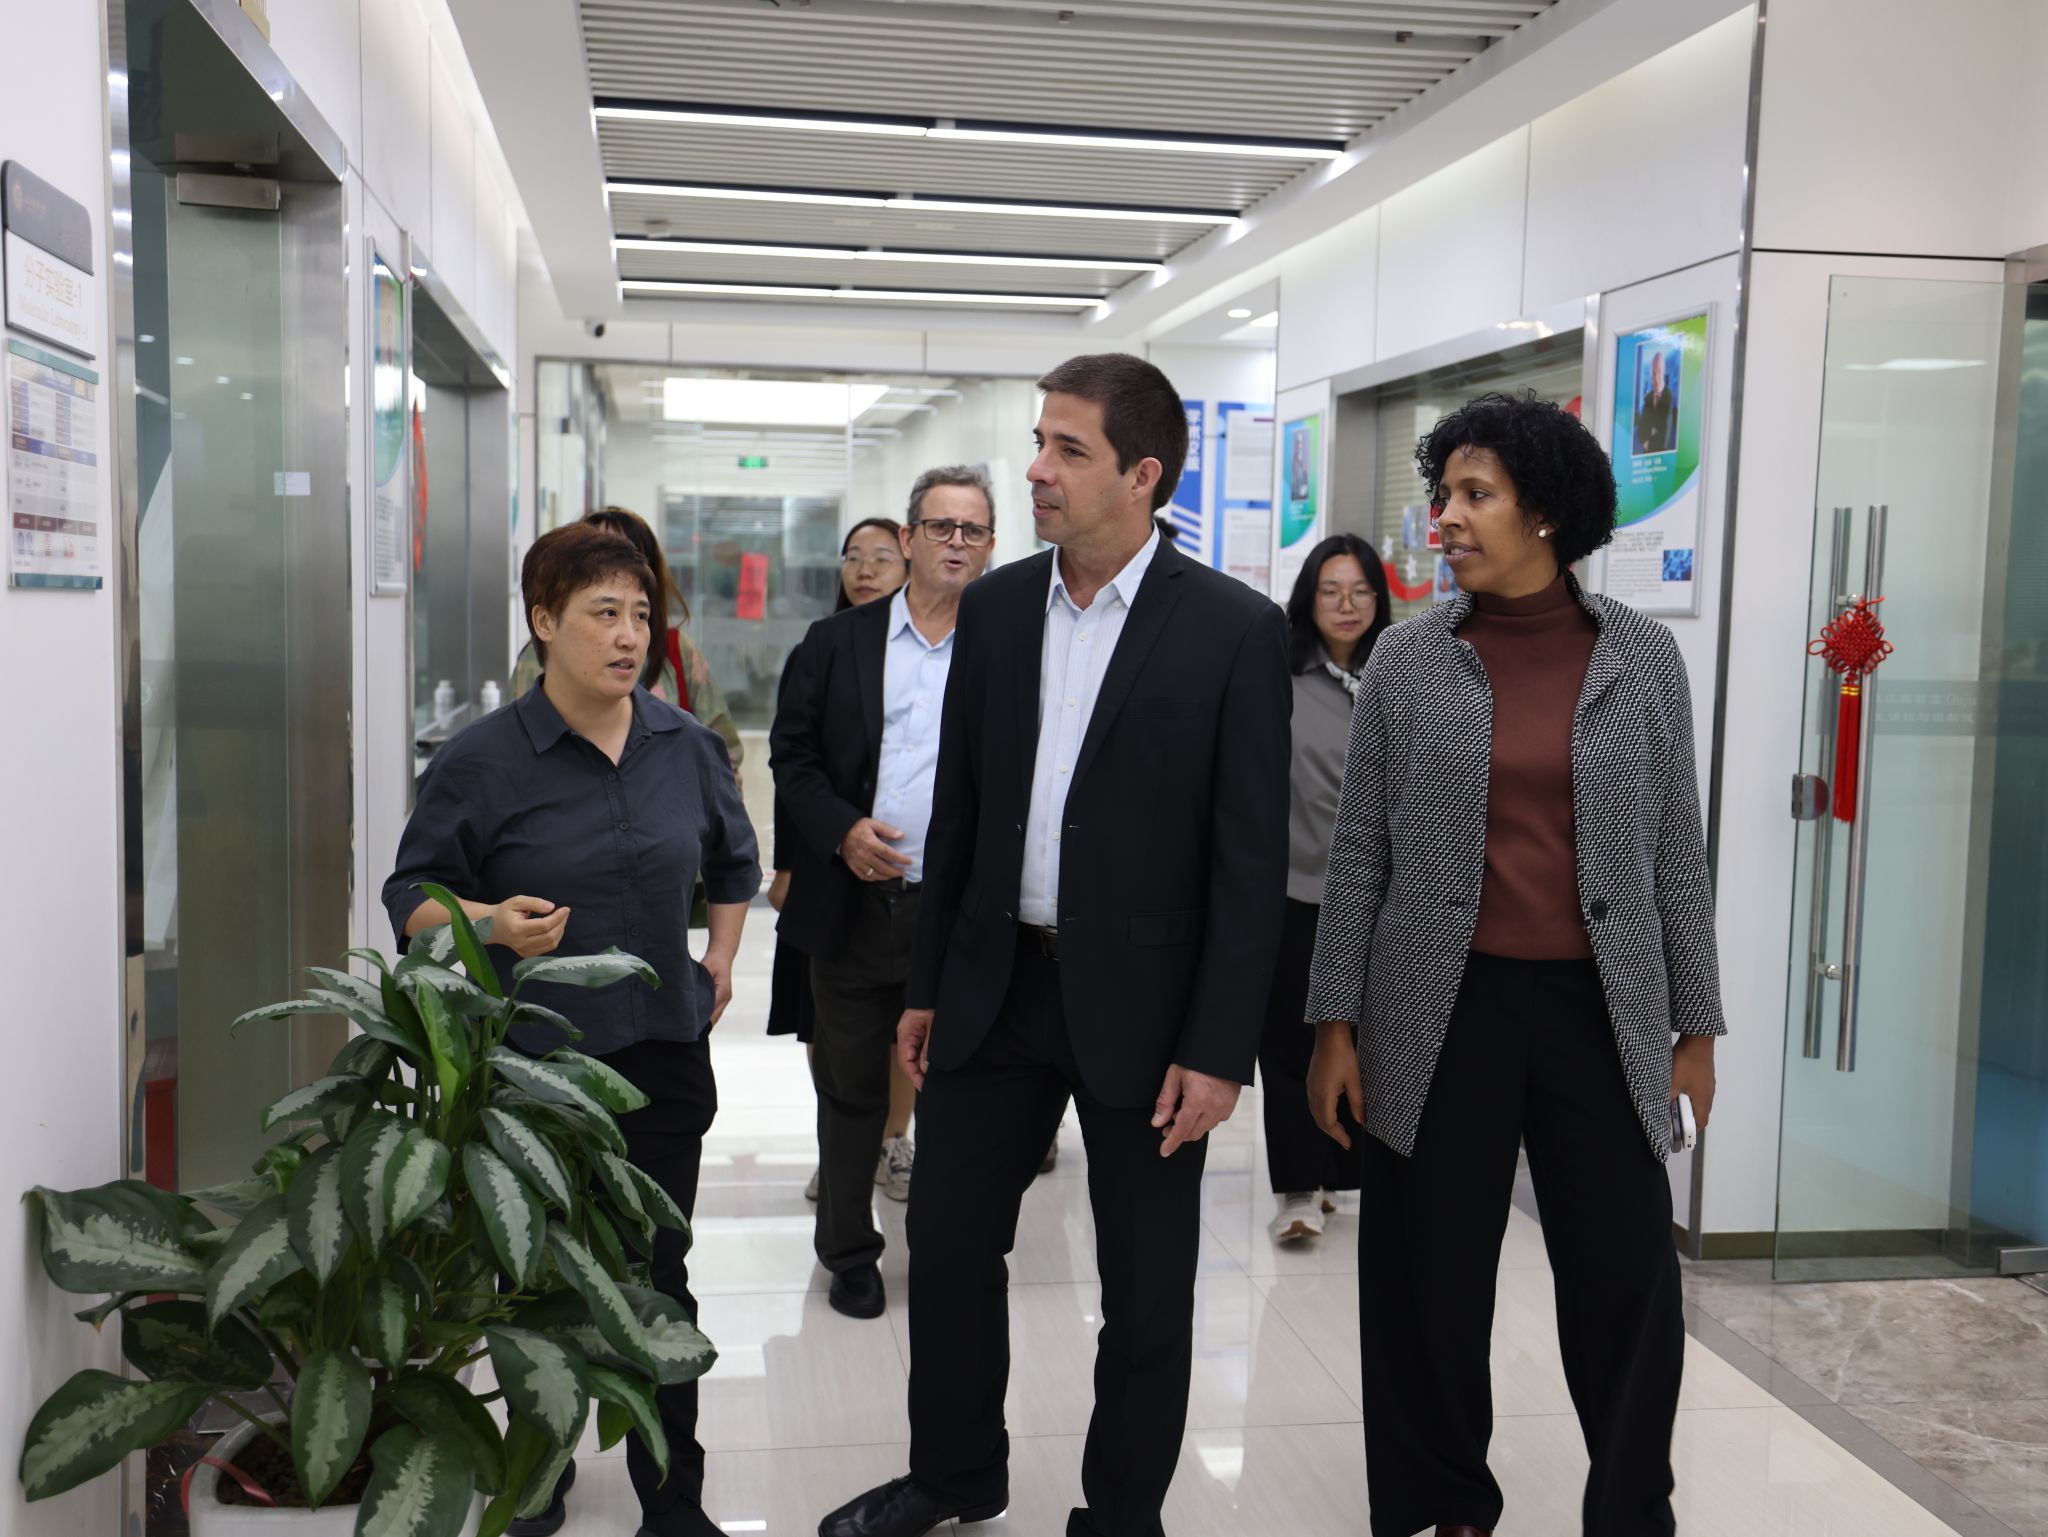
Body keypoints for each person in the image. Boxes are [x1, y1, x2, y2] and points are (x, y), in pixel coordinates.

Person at [819, 353, 1292, 1537]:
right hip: (995, 989)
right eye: (1038, 441)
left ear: (1141, 475)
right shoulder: (995, 608)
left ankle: (1121, 1513)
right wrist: (929, 984)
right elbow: (965, 813)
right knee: (947, 1241)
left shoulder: (1231, 630)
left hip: (1150, 1011)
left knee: (1143, 1288)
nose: (1036, 468)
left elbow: (1247, 865)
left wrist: (1218, 1049)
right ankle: (955, 1473)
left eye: (1067, 449)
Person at [1304, 391, 1724, 1537]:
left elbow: (1673, 853)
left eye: (1472, 495)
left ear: (1542, 512)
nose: (1443, 517)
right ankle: (1445, 1504)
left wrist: (1694, 1027)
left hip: (1601, 1010)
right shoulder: (1406, 657)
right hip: (1437, 1009)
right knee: (1427, 1276)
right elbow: (1359, 851)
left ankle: (1630, 1510)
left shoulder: (1640, 657)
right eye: (1441, 493)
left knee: (1626, 1276)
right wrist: (1333, 1024)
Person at [384, 521, 760, 1537]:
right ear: (544, 621)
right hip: (532, 1070)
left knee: (657, 1279)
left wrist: (722, 957)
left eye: (640, 614)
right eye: (604, 613)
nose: (629, 635)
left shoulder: (685, 746)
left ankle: (672, 1501)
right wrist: (489, 923)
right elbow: (409, 895)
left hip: (660, 1054)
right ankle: (536, 1480)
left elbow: (734, 862)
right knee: (535, 1280)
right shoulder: (481, 760)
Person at [771, 470, 996, 1319]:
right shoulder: (837, 642)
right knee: (852, 1089)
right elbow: (791, 755)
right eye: (941, 527)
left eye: (974, 531)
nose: (956, 544)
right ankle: (848, 1252)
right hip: (857, 903)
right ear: (909, 539)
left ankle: (944, 1249)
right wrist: (841, 831)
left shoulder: (1008, 645)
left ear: (991, 546)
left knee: (960, 1093)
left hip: (961, 911)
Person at [770, 517, 912, 1202]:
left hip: (904, 871)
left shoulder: (937, 648)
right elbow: (792, 762)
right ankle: (843, 1149)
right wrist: (787, 865)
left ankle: (893, 1140)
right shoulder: (820, 645)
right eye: (854, 556)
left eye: (881, 556)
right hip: (825, 867)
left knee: (904, 1022)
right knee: (826, 1026)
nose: (865, 569)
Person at [1262, 532, 1390, 1245]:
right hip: (1294, 889)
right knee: (1291, 1039)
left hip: (1378, 896)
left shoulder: (1399, 674)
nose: (1347, 605)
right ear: (1308, 599)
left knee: (1366, 1038)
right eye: (1332, 590)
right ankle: (1297, 1187)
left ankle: (1344, 1172)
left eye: (1361, 591)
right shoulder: (1278, 675)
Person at [508, 506, 743, 771]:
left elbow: (723, 754)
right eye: (594, 553)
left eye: (624, 556)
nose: (628, 640)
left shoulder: (678, 651)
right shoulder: (536, 658)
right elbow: (513, 743)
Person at [1633, 348, 1677, 456]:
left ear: (1664, 371)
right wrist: (1646, 437)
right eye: (1654, 373)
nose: (1657, 377)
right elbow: (1641, 429)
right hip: (1645, 455)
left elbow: (1664, 432)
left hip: (1662, 457)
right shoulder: (1648, 397)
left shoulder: (1669, 397)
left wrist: (1649, 442)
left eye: (1660, 371)